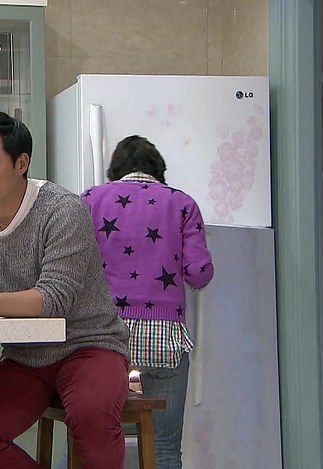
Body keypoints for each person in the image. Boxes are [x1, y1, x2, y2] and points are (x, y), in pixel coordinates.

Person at [0, 111, 130, 469]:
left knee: (91, 419)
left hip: (89, 344)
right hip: (27, 354)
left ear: (21, 163)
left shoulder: (63, 210)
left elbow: (54, 298)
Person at [81, 135, 214, 469]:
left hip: (102, 338)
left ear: (114, 171)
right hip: (163, 339)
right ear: (159, 170)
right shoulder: (182, 204)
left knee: (85, 441)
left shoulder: (90, 200)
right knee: (164, 446)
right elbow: (199, 274)